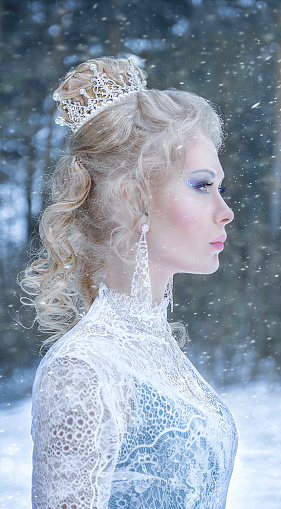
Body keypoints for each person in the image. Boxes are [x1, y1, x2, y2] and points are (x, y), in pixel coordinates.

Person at [21, 56, 238, 509]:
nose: (225, 211)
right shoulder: (82, 370)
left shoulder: (160, 353)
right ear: (133, 199)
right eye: (202, 186)